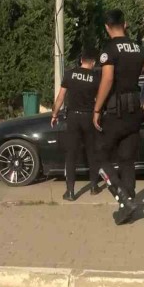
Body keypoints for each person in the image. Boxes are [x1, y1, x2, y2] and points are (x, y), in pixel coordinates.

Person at [93, 9, 144, 225]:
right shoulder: (138, 48)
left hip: (116, 112)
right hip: (135, 112)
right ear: (124, 24)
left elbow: (107, 79)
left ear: (107, 27)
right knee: (127, 160)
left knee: (100, 157)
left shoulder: (109, 49)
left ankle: (123, 198)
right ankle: (129, 205)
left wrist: (97, 109)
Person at [51, 50, 101, 201]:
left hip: (73, 117)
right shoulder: (95, 77)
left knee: (71, 154)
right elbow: (99, 98)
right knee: (92, 152)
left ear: (81, 60)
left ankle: (70, 191)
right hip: (88, 117)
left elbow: (61, 96)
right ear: (92, 62)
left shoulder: (69, 74)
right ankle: (94, 186)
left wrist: (54, 114)